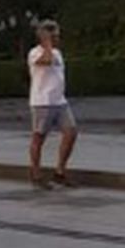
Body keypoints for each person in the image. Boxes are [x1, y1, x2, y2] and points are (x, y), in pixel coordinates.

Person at [27, 20, 77, 189]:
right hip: (42, 102)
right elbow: (46, 61)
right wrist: (46, 44)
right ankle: (36, 173)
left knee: (71, 132)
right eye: (54, 36)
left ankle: (60, 172)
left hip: (59, 101)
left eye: (57, 36)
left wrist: (51, 46)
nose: (57, 39)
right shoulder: (35, 53)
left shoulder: (57, 53)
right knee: (39, 137)